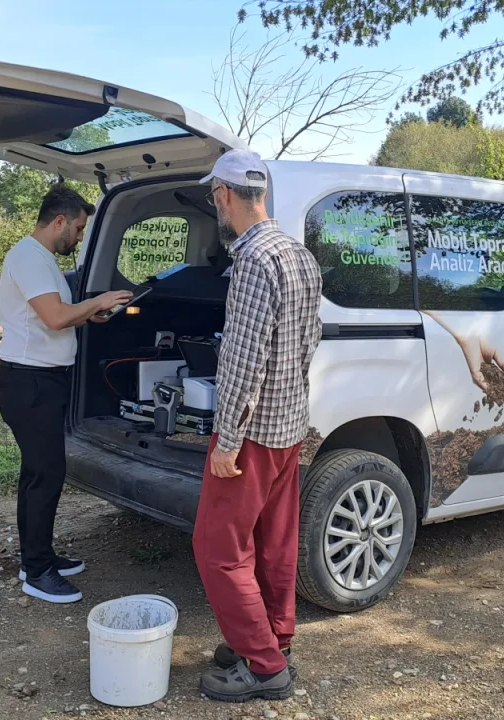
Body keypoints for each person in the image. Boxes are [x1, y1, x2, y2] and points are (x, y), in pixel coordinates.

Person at [192, 150, 323, 702]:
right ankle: (273, 639)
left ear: (224, 195)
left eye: (212, 196)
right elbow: (309, 340)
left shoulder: (251, 261)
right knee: (274, 542)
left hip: (250, 438)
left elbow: (243, 359)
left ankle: (266, 667)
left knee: (217, 548)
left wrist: (227, 440)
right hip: (289, 428)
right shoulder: (299, 255)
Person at [0, 185, 131, 605]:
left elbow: (56, 318)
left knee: (41, 472)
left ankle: (39, 557)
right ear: (58, 222)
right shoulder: (28, 258)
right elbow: (55, 318)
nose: (77, 235)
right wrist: (98, 301)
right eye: (76, 227)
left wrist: (92, 312)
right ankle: (37, 572)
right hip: (29, 381)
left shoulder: (41, 260)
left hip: (41, 379)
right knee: (44, 474)